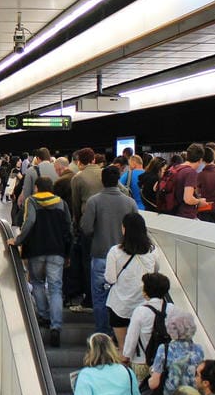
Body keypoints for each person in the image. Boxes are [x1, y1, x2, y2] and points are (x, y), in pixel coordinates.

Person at [8, 175, 72, 346]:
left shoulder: (32, 201)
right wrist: (67, 252)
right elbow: (68, 228)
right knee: (56, 288)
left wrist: (18, 240)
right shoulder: (61, 203)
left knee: (37, 282)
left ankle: (44, 316)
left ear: (36, 188)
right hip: (57, 250)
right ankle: (56, 326)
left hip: (36, 250)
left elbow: (29, 222)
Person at [81, 166, 138, 336]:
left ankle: (102, 334)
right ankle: (120, 335)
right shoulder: (130, 202)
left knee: (100, 297)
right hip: (125, 258)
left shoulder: (94, 201)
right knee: (123, 297)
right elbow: (137, 228)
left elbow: (86, 228)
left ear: (102, 180)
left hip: (101, 254)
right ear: (118, 180)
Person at [125, 272, 172, 395]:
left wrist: (125, 357)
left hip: (141, 362)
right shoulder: (172, 310)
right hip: (165, 364)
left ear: (147, 290)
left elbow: (131, 340)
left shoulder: (141, 311)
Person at [105, 211, 162, 350]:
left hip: (120, 306)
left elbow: (110, 279)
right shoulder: (153, 251)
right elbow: (156, 271)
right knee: (143, 349)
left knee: (123, 349)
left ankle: (124, 363)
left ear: (124, 229)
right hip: (144, 305)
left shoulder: (115, 251)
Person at [69, 147, 102, 309]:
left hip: (87, 225)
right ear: (94, 160)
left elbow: (75, 205)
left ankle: (89, 299)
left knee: (87, 261)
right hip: (105, 225)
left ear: (79, 162)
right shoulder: (105, 174)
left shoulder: (78, 178)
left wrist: (76, 224)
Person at [172, 144, 207, 220]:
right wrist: (199, 202)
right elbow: (188, 199)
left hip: (173, 213)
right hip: (186, 216)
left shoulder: (175, 168)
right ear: (200, 160)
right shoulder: (190, 172)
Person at [197, 143, 215, 223]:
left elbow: (197, 191)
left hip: (205, 208)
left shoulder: (200, 175)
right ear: (214, 157)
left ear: (202, 159)